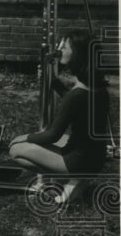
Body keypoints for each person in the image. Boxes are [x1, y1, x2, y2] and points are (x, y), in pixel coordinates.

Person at [9, 28, 111, 202]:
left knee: (15, 150)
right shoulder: (97, 88)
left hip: (77, 161)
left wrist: (24, 137)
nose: (60, 50)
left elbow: (52, 135)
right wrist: (54, 82)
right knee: (58, 140)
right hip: (95, 157)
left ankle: (74, 177)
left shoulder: (77, 94)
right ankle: (79, 178)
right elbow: (75, 104)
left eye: (65, 47)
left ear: (77, 54)